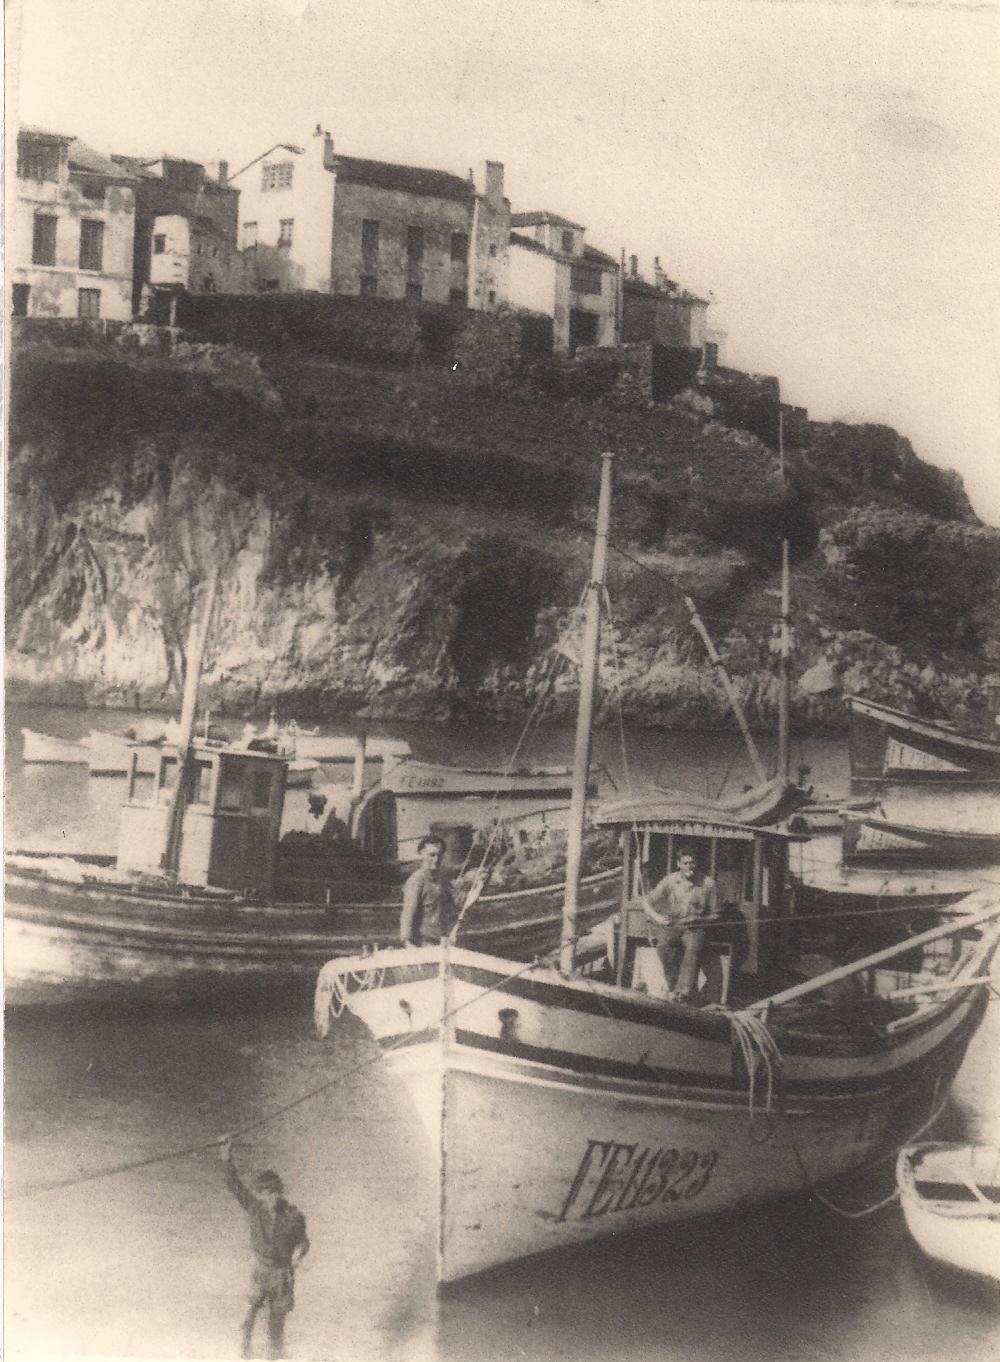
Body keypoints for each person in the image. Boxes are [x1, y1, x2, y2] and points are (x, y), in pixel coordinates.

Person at [219, 1136, 309, 1361]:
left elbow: (303, 1241)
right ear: (259, 1194)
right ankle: (244, 1351)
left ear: (279, 1193)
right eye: (264, 1193)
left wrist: (298, 1254)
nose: (268, 1198)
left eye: (273, 1193)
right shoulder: (254, 1208)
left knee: (276, 1321)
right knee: (249, 1314)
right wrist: (226, 1155)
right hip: (260, 1271)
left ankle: (275, 1355)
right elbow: (233, 1184)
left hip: (281, 1274)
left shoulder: (293, 1216)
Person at [635, 848, 718, 1002]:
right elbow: (647, 901)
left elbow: (715, 915)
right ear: (678, 864)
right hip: (674, 925)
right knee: (663, 945)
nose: (690, 866)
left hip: (696, 928)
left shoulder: (708, 884)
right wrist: (657, 918)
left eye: (692, 862)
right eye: (685, 863)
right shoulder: (670, 881)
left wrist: (699, 920)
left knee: (692, 948)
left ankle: (682, 993)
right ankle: (672, 986)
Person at [400, 834, 456, 946]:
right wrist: (408, 943)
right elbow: (408, 914)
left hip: (444, 942)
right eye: (432, 855)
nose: (436, 859)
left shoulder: (442, 878)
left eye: (439, 855)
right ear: (422, 854)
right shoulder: (417, 880)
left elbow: (452, 905)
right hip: (424, 943)